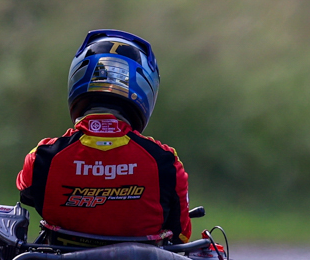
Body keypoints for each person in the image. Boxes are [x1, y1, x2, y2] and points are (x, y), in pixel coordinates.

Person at [17, 29, 192, 243]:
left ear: (78, 78)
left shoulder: (42, 158)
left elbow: (27, 196)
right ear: (145, 87)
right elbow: (181, 235)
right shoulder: (165, 163)